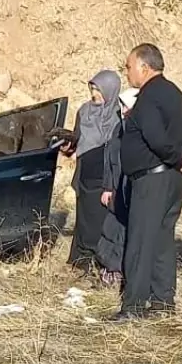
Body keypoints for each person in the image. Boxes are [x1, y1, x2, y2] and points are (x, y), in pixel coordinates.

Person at [114, 43, 182, 320]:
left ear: (144, 67)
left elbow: (156, 139)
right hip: (172, 180)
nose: (127, 73)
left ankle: (134, 306)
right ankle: (163, 301)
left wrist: (176, 158)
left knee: (139, 241)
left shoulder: (149, 97)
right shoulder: (174, 93)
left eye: (129, 67)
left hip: (153, 179)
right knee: (162, 240)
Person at [66, 70, 122, 275]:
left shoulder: (119, 116)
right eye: (92, 89)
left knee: (101, 222)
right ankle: (81, 262)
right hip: (85, 175)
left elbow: (117, 150)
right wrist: (66, 145)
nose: (94, 94)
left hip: (104, 179)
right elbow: (76, 141)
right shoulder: (84, 112)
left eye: (98, 89)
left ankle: (101, 262)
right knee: (84, 219)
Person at [96, 87, 138, 287]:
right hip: (116, 187)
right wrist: (108, 186)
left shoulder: (136, 129)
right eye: (121, 104)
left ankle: (120, 271)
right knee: (112, 227)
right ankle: (109, 268)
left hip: (131, 187)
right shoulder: (118, 129)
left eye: (126, 105)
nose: (122, 109)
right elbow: (110, 160)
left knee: (124, 230)